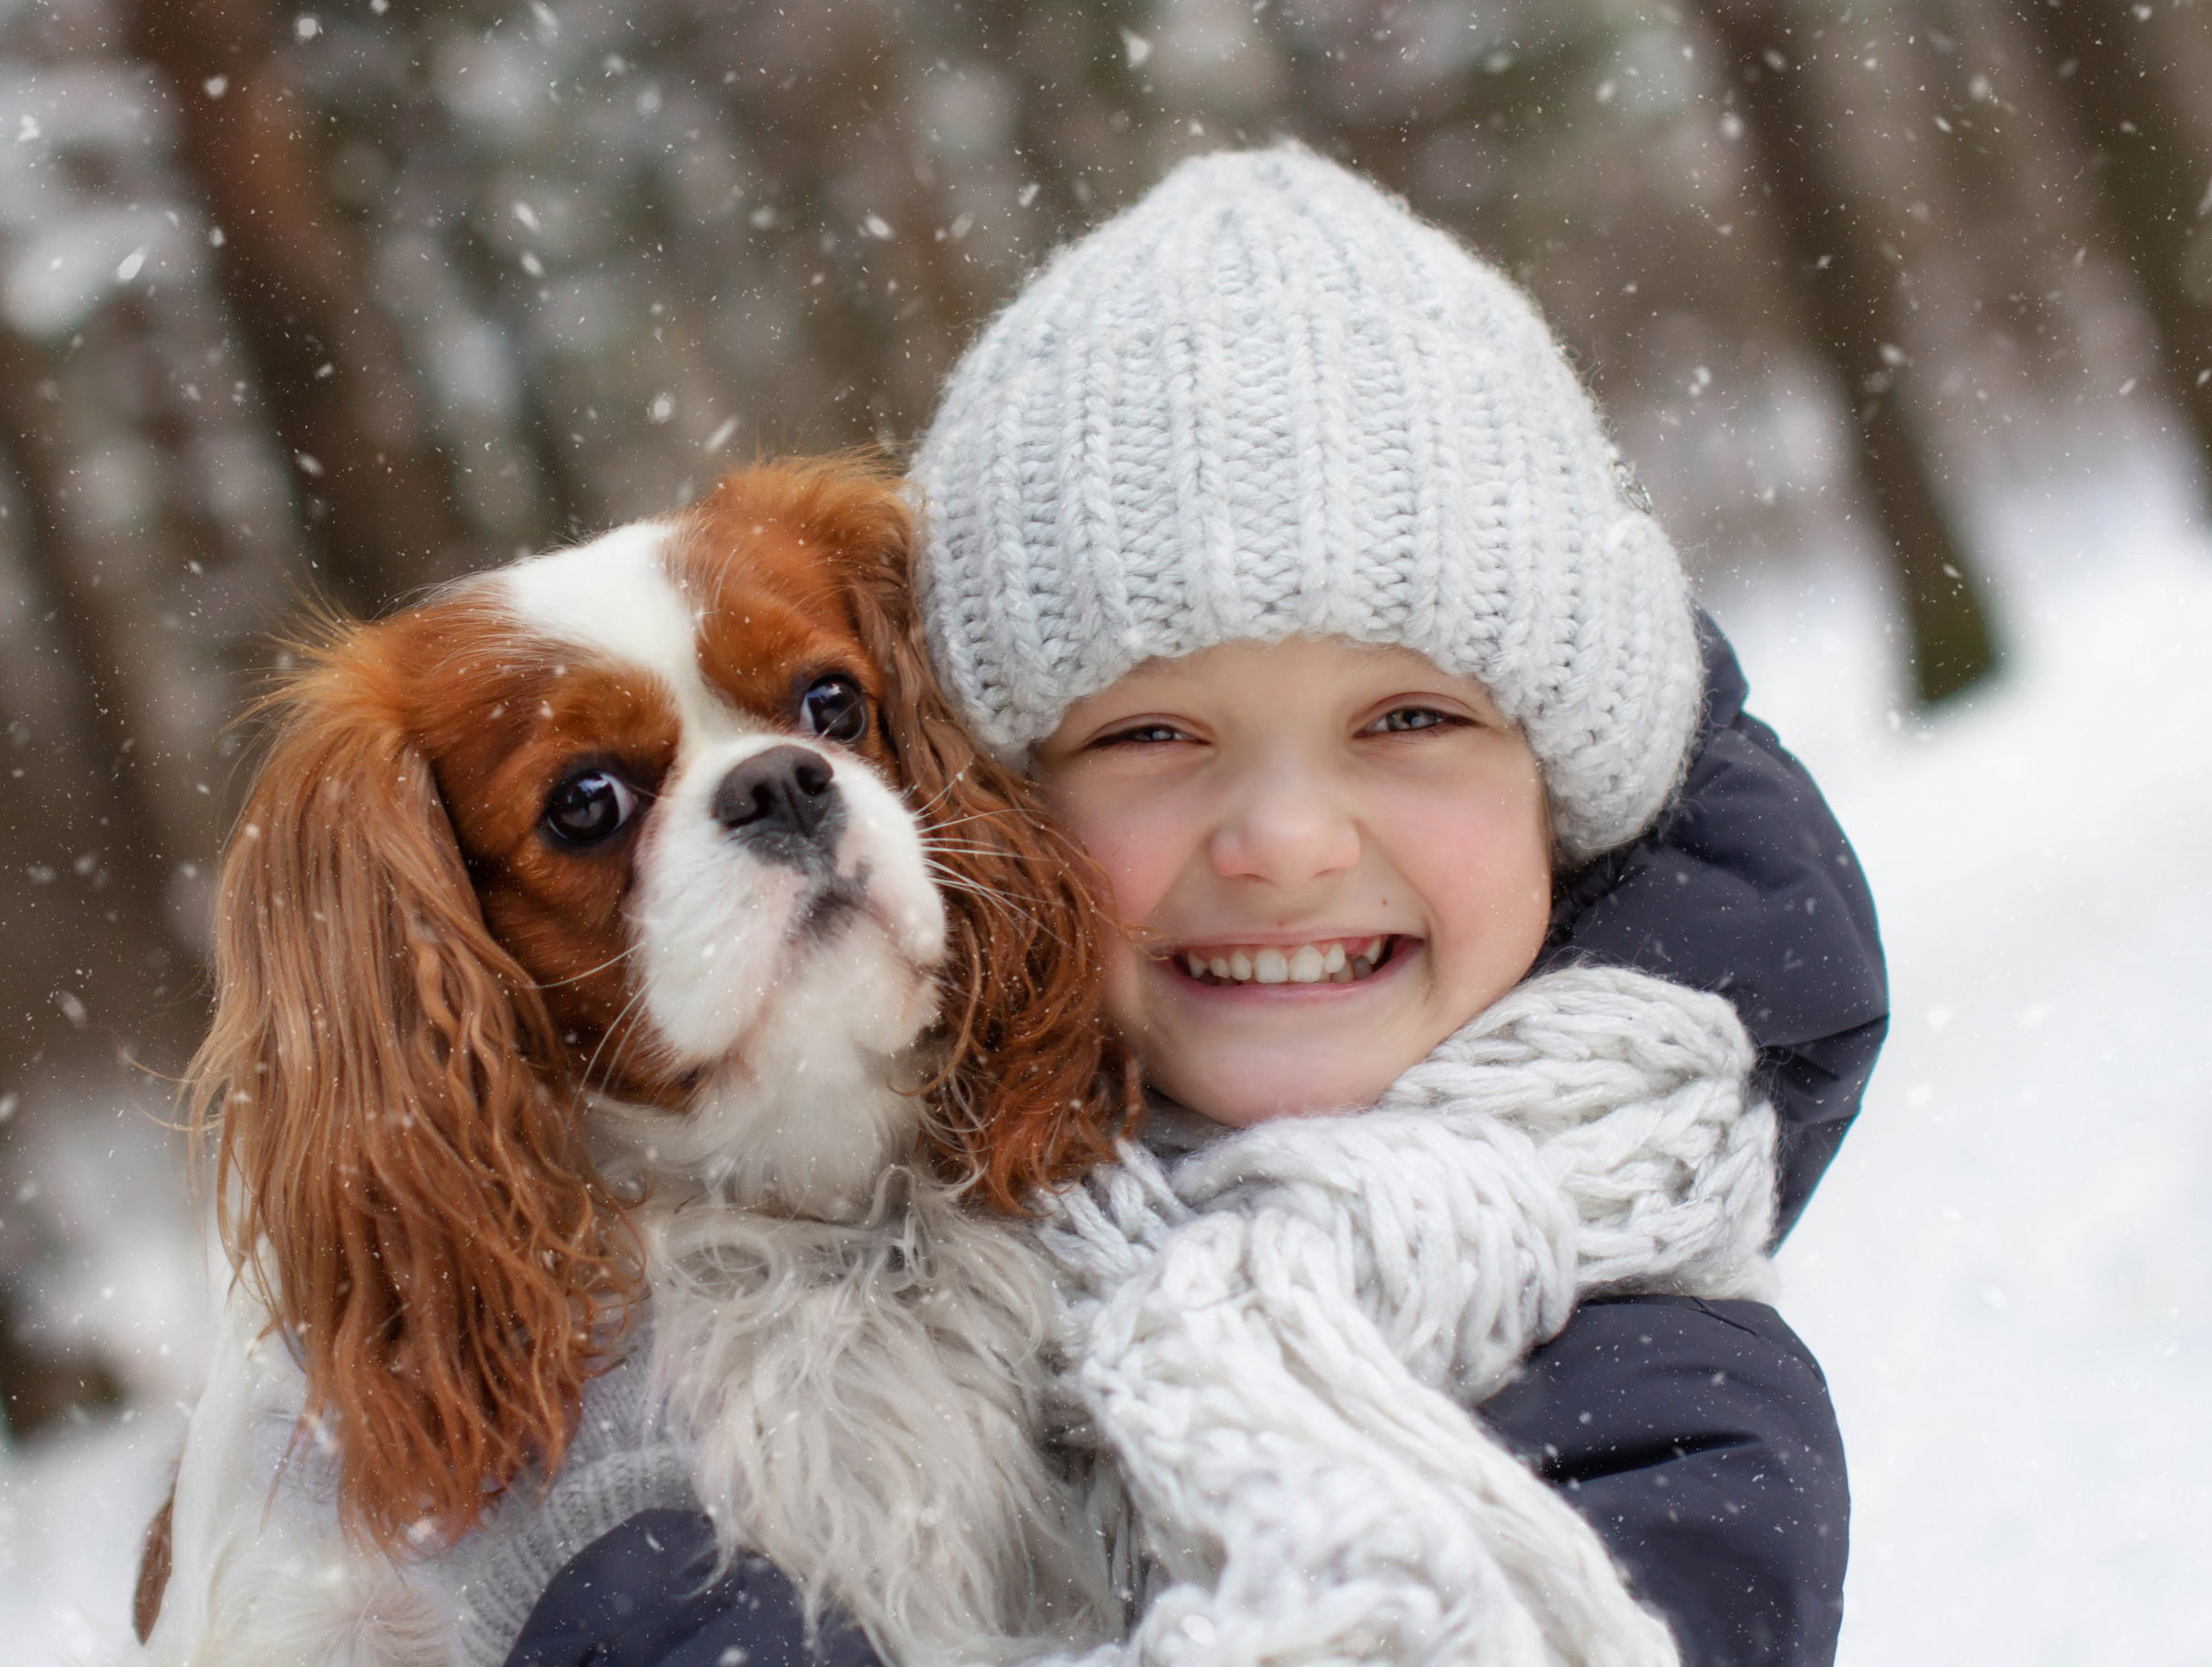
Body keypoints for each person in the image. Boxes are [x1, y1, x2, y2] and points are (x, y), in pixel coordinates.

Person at [509, 147, 1885, 1667]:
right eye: (1150, 738)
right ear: (989, 806)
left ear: (1565, 798)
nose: (1286, 843)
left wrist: (604, 1595)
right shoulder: (884, 1214)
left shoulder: (1663, 1389)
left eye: (1411, 721)